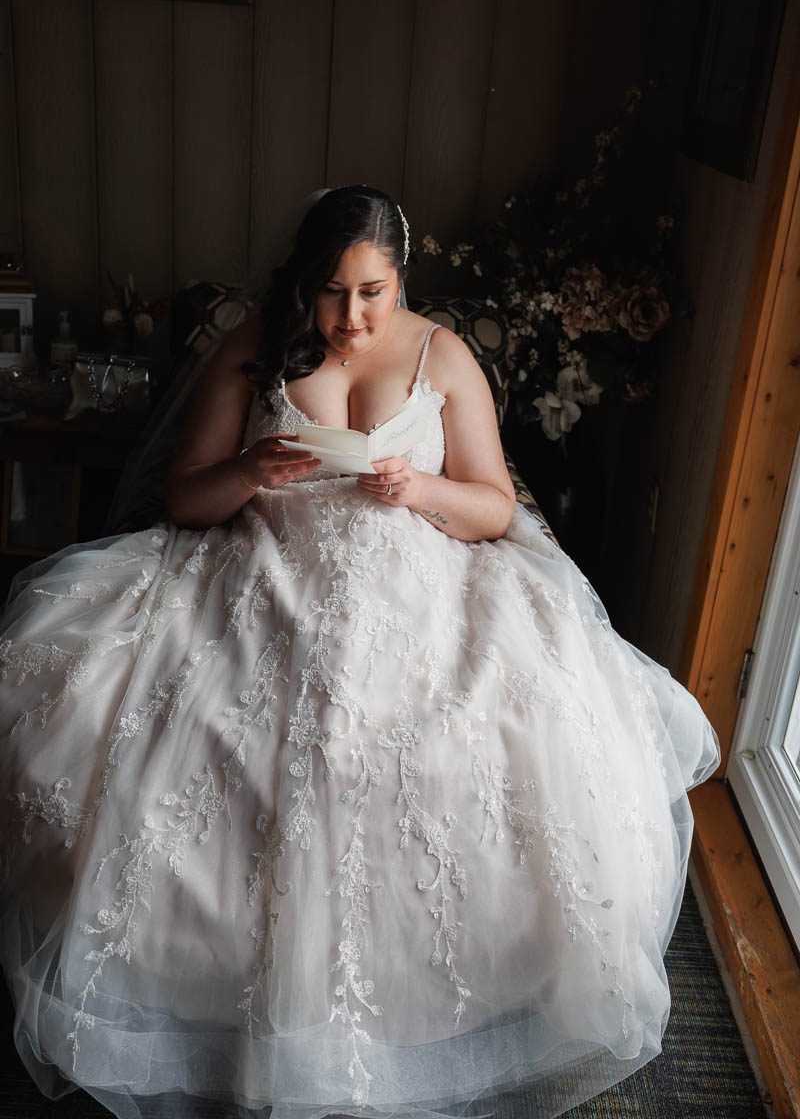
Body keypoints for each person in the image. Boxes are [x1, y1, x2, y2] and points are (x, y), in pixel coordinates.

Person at [0, 184, 720, 1119]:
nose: (350, 318)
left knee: (509, 738)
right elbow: (186, 499)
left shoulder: (441, 355)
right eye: (332, 292)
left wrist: (421, 487)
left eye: (372, 292)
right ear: (306, 281)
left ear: (401, 279)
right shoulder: (255, 346)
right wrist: (252, 470)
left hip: (414, 572)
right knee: (148, 725)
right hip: (263, 565)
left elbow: (495, 508)